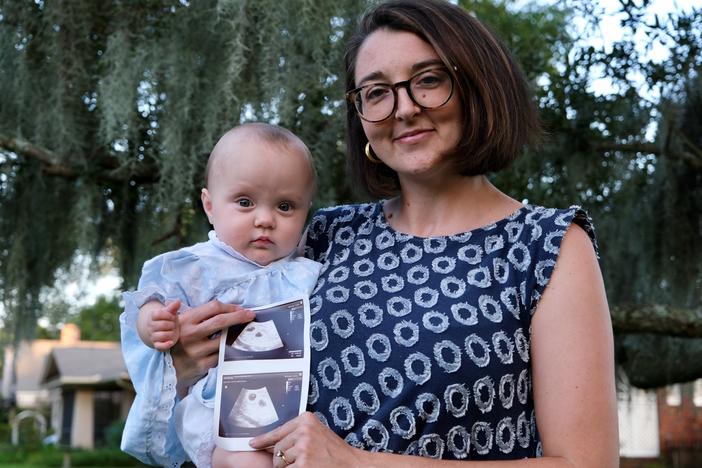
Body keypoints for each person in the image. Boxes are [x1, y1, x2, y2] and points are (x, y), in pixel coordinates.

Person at [137, 0, 619, 466]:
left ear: (479, 86)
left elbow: (586, 462)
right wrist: (182, 360)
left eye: (428, 81)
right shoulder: (321, 236)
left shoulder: (547, 246)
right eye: (376, 92)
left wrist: (355, 462)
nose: (403, 108)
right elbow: (218, 397)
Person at [119, 122, 321, 468]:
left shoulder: (306, 270)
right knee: (249, 460)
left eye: (285, 207)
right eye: (245, 202)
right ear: (209, 205)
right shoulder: (196, 267)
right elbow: (149, 300)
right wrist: (152, 322)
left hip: (291, 406)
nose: (265, 219)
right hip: (219, 408)